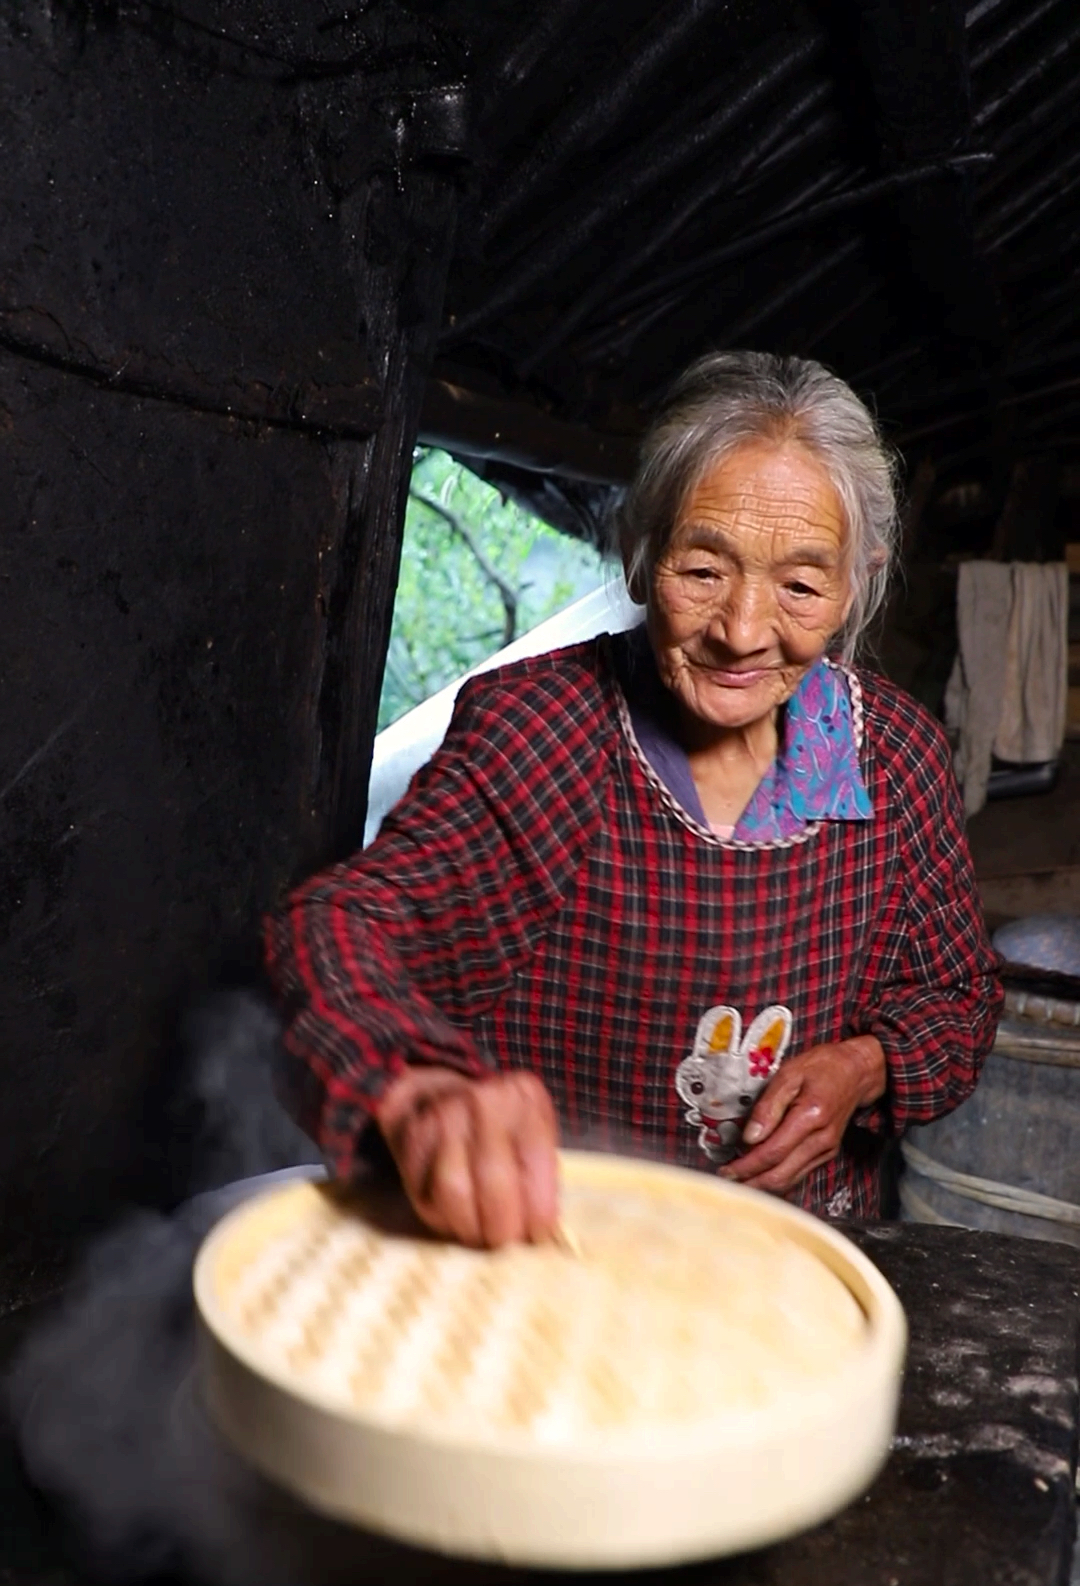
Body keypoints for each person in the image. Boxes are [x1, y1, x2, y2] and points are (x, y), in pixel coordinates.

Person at [265, 352, 1002, 1246]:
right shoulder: (547, 734)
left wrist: (867, 1064)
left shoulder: (893, 760)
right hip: (557, 1259)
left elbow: (956, 996)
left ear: (857, 582)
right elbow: (342, 927)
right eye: (703, 571)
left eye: (801, 587)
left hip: (791, 1268)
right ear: (643, 549)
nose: (740, 632)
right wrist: (414, 1088)